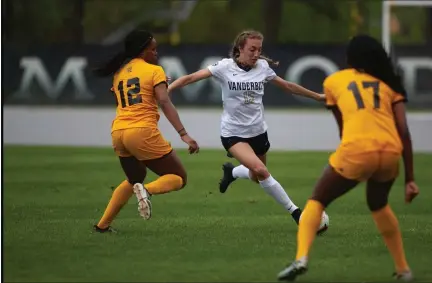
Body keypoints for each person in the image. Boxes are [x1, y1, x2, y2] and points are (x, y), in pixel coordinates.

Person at [277, 34, 420, 282]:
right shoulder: (388, 85)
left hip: (356, 150)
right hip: (390, 152)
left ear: (350, 58)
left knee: (317, 200)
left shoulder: (334, 81)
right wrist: (410, 179)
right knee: (378, 204)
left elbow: (343, 128)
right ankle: (403, 269)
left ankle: (301, 258)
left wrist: (354, 159)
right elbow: (404, 132)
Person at [168, 30, 325, 226]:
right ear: (240, 49)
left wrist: (317, 96)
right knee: (261, 170)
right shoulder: (224, 67)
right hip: (233, 134)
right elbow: (190, 78)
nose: (256, 54)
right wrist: (168, 91)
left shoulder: (263, 68)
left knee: (256, 176)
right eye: (251, 49)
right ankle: (297, 214)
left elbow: (288, 86)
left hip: (258, 131)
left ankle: (232, 173)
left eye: (259, 49)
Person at [92, 30, 200, 233]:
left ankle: (102, 226)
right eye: (153, 49)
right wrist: (183, 133)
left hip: (118, 132)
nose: (156, 53)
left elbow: (124, 97)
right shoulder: (154, 70)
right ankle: (147, 192)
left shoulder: (120, 73)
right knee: (178, 177)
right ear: (143, 50)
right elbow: (164, 101)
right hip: (141, 131)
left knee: (135, 178)